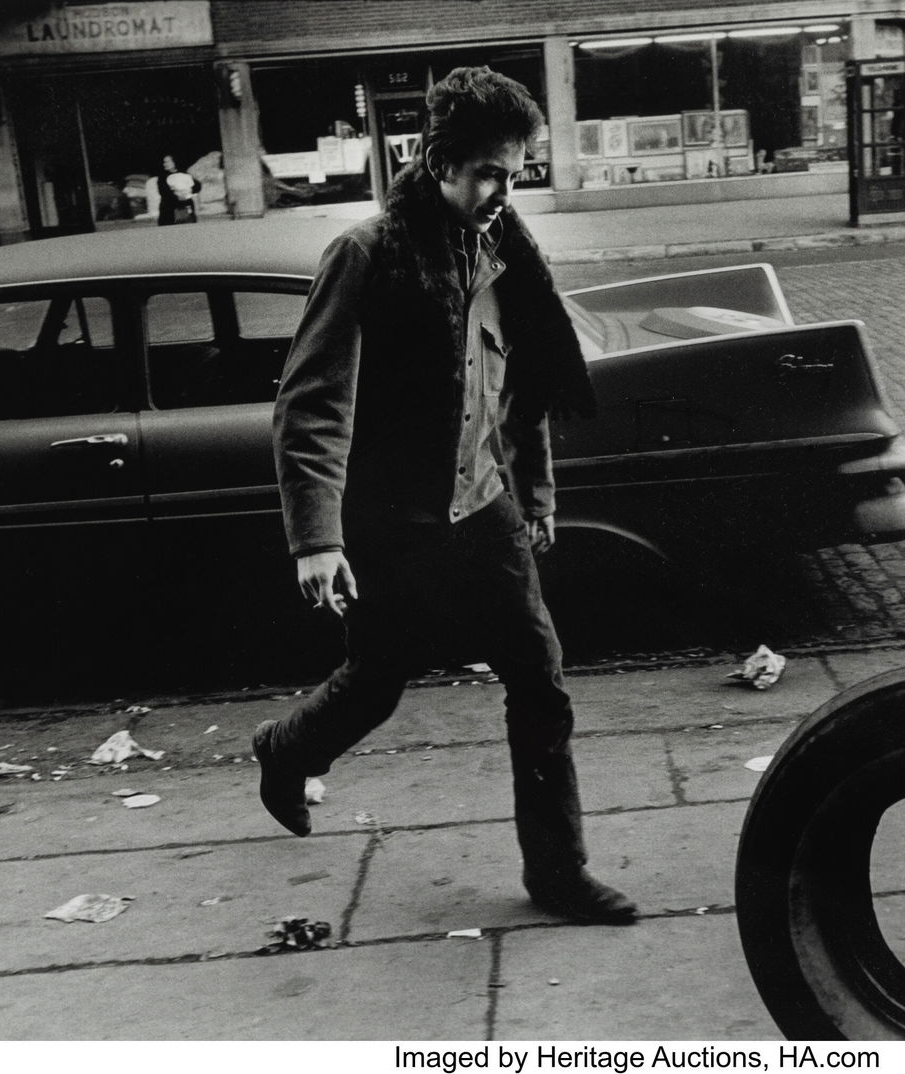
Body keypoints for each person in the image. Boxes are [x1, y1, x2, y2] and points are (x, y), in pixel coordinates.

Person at [253, 67, 637, 925]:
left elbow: (522, 384)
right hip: (393, 521)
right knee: (378, 678)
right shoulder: (368, 254)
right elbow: (313, 402)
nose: (506, 191)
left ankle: (558, 872)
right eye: (491, 173)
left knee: (539, 676)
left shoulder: (503, 250)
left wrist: (535, 495)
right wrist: (317, 537)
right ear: (438, 162)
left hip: (485, 505)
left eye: (516, 171)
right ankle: (285, 749)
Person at [156, 155, 202, 225]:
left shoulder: (184, 174)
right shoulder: (162, 177)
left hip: (185, 209)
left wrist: (188, 191)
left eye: (167, 162)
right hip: (170, 210)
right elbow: (163, 192)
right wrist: (177, 195)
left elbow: (197, 186)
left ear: (174, 162)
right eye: (164, 162)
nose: (165, 164)